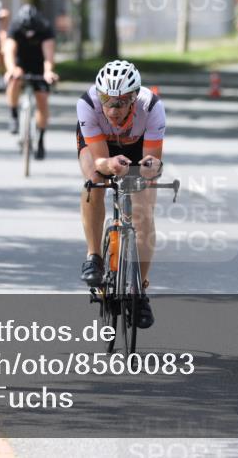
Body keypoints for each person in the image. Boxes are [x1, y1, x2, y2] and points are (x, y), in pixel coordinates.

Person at [76, 60, 165, 329]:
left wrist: (149, 169)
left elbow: (152, 161)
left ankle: (139, 291)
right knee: (94, 181)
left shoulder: (152, 108)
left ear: (134, 98)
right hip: (101, 145)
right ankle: (94, 256)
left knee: (144, 209)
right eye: (107, 100)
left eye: (121, 102)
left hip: (137, 145)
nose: (112, 109)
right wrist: (108, 166)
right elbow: (101, 161)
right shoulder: (88, 105)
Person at [3, 4, 58, 159]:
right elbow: (9, 51)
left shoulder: (45, 28)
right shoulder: (15, 26)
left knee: (42, 98)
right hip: (21, 62)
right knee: (15, 78)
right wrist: (11, 69)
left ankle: (40, 139)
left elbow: (49, 55)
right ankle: (13, 114)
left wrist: (48, 72)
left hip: (39, 64)